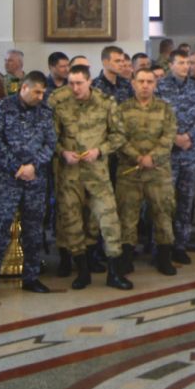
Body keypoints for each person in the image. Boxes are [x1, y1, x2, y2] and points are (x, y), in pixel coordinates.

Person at [0, 72, 57, 302]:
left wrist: (33, 166)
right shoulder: (2, 108)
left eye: (43, 92)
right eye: (37, 92)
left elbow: (51, 143)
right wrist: (16, 166)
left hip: (35, 180)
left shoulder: (46, 112)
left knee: (33, 230)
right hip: (8, 180)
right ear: (24, 88)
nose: (41, 97)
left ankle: (31, 276)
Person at [51, 65, 133, 290]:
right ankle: (83, 272)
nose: (75, 88)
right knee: (72, 222)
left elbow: (119, 136)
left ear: (89, 82)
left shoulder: (106, 103)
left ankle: (114, 273)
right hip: (69, 176)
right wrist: (62, 152)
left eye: (79, 83)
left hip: (97, 173)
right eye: (71, 83)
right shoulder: (60, 105)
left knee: (109, 221)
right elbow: (51, 138)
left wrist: (100, 150)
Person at [114, 68, 180, 275]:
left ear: (155, 84)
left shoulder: (165, 108)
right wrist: (137, 157)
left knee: (163, 213)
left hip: (158, 171)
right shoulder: (121, 109)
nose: (145, 85)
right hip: (129, 172)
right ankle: (126, 258)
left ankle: (163, 257)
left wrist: (152, 157)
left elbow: (169, 137)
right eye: (141, 81)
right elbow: (118, 137)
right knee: (127, 215)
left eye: (149, 82)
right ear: (133, 83)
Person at [157, 49, 195, 265]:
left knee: (187, 202)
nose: (185, 66)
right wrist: (174, 138)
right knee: (164, 202)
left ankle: (180, 245)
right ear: (170, 64)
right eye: (180, 62)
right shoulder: (160, 87)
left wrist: (188, 135)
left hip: (190, 151)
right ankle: (162, 245)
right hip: (167, 153)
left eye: (187, 63)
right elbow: (156, 119)